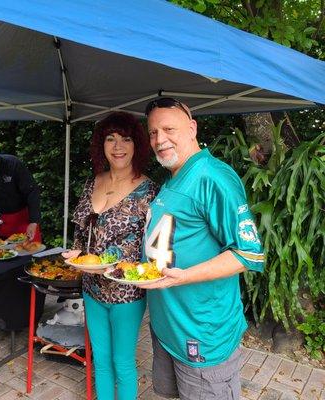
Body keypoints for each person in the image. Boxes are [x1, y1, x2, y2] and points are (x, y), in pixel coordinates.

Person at [140, 98, 265, 399]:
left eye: (169, 128)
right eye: (153, 132)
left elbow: (247, 253)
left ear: (192, 128)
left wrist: (184, 276)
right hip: (169, 326)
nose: (160, 139)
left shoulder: (212, 177)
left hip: (202, 332)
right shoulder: (172, 177)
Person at [62, 112, 158, 400]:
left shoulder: (149, 190)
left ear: (136, 145)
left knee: (122, 362)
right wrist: (77, 252)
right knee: (100, 362)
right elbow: (82, 232)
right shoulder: (94, 182)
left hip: (126, 293)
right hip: (91, 289)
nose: (118, 146)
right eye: (111, 139)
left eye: (126, 139)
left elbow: (153, 247)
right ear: (101, 145)